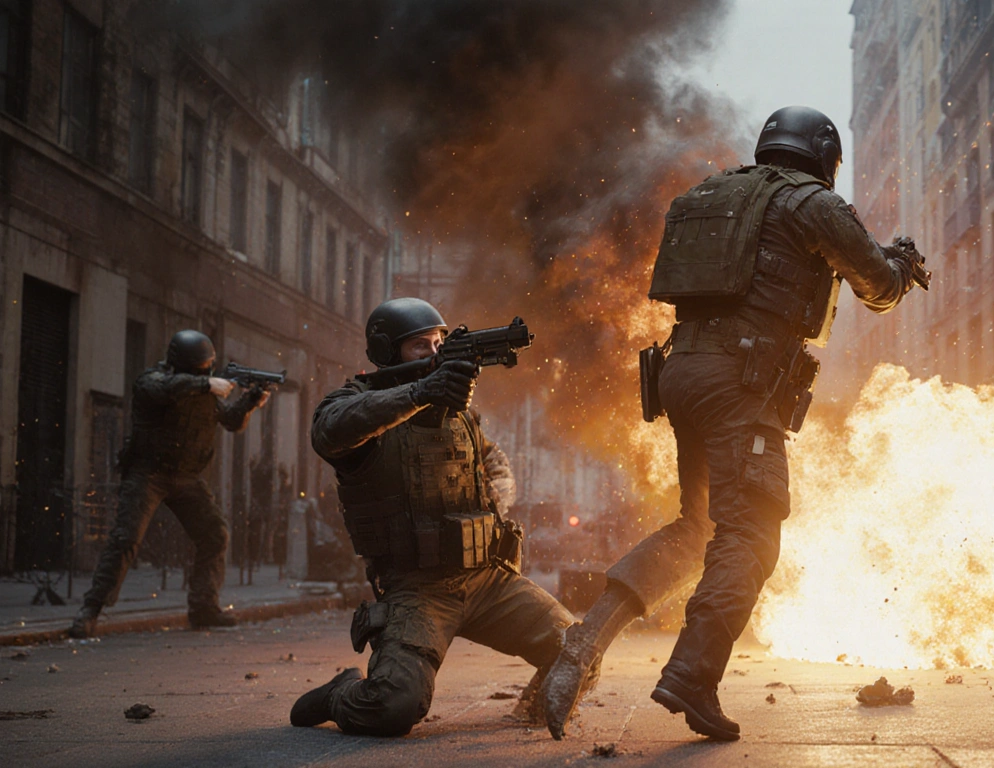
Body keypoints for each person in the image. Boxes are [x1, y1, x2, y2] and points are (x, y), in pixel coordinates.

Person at [542, 106, 929, 741]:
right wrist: (901, 266)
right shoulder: (813, 203)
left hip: (682, 373)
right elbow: (877, 285)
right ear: (824, 155)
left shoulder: (712, 192)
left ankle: (587, 637)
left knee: (698, 527)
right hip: (739, 386)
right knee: (750, 535)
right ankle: (692, 676)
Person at [290, 298, 583, 737]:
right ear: (388, 353)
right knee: (392, 707)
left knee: (580, 650)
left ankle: (533, 708)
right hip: (419, 588)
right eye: (420, 347)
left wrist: (492, 501)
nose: (434, 353)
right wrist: (417, 394)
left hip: (488, 580)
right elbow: (327, 429)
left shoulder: (460, 412)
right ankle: (341, 692)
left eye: (439, 342)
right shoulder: (361, 402)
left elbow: (495, 462)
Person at [69, 330, 271, 638]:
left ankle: (204, 607)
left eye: (208, 368)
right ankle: (90, 611)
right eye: (201, 369)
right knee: (125, 540)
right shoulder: (154, 380)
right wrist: (207, 384)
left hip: (187, 477)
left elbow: (231, 420)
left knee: (216, 534)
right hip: (148, 474)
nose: (206, 372)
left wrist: (252, 400)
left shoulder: (204, 390)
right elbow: (163, 389)